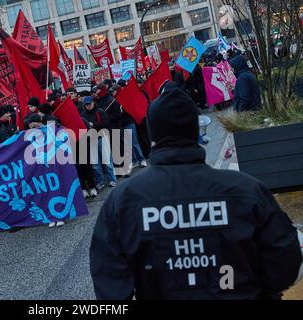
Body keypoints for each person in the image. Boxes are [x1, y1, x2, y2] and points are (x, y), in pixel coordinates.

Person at [90, 84, 303, 300]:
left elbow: (110, 286)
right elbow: (286, 263)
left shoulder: (123, 200)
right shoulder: (247, 191)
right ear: (196, 130)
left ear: (153, 135)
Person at [81, 96, 117, 191]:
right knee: (96, 164)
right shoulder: (83, 114)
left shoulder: (100, 111)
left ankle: (112, 179)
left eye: (89, 104)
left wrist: (93, 125)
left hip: (102, 137)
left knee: (107, 160)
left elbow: (106, 123)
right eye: (86, 104)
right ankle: (100, 182)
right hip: (91, 140)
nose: (88, 106)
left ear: (93, 102)